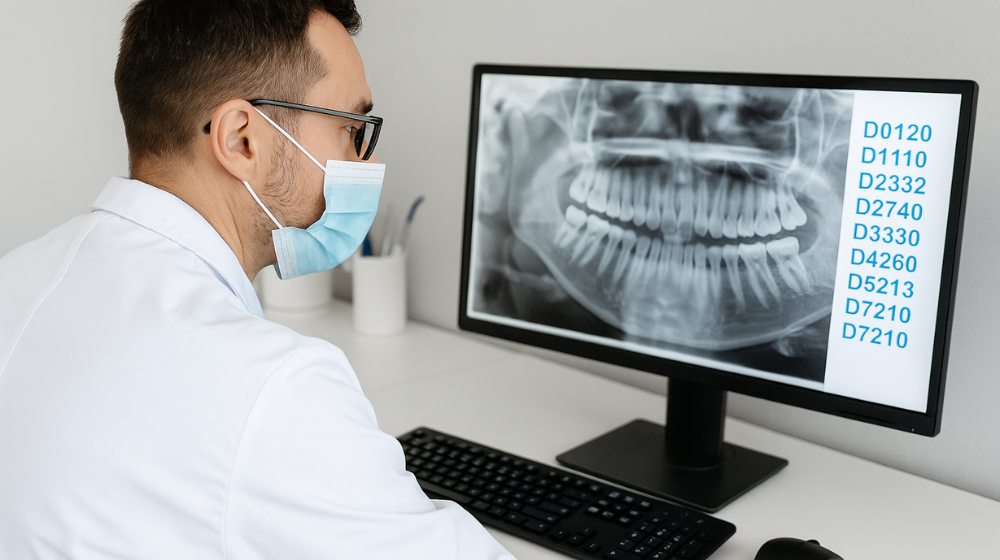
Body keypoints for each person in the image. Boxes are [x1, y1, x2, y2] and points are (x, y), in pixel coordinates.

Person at [0, 1, 515, 558]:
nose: (364, 163)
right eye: (352, 129)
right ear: (242, 138)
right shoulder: (273, 387)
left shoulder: (17, 275)